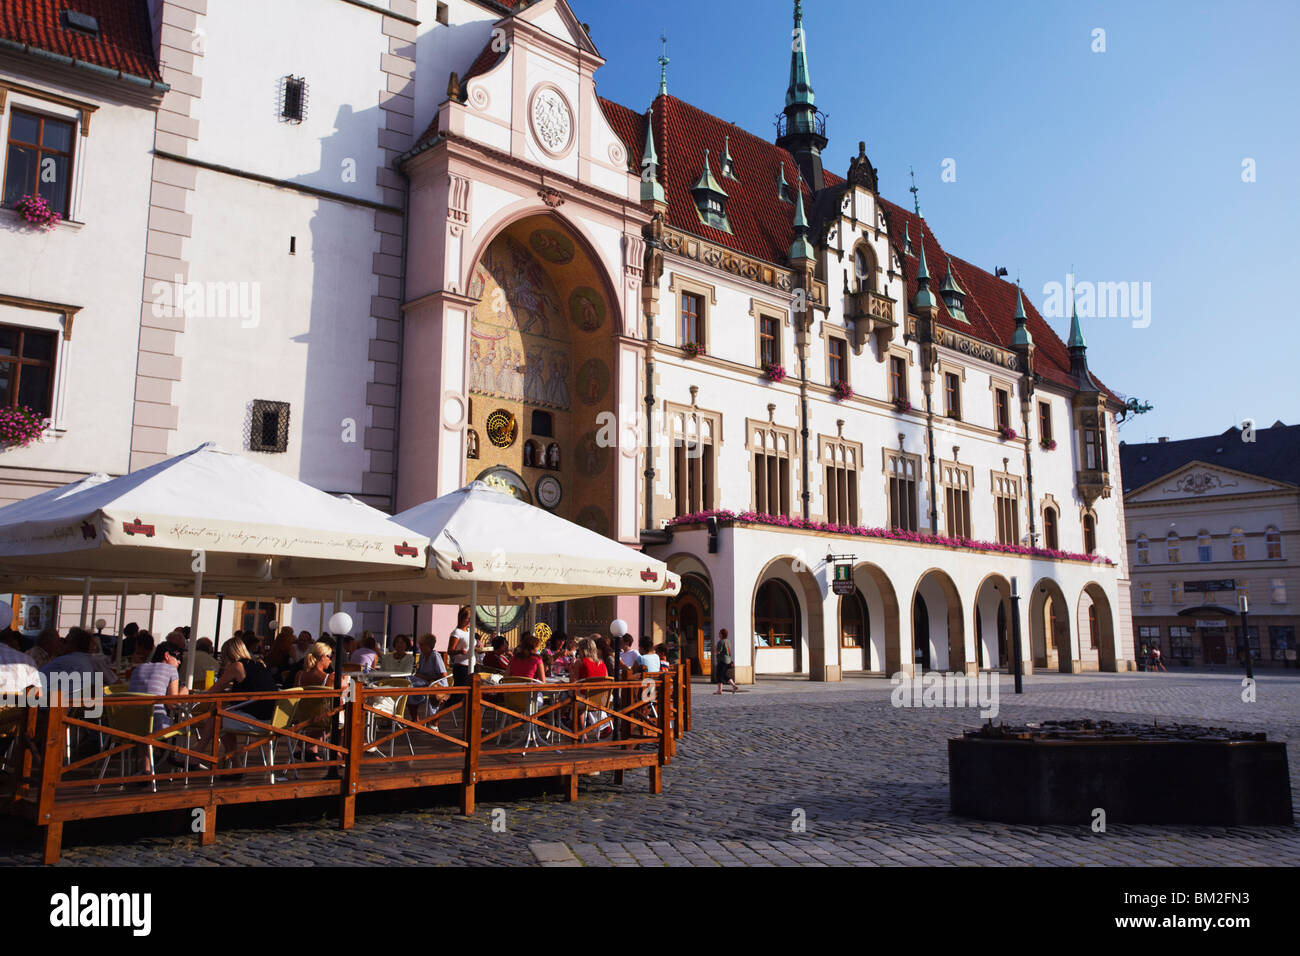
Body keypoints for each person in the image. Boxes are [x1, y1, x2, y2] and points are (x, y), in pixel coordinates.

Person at [207, 636, 280, 760]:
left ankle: (196, 756)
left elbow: (212, 692)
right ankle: (234, 766)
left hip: (258, 721)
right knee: (221, 715)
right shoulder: (258, 665)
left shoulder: (237, 666)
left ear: (228, 655)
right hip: (272, 718)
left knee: (216, 716)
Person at [128, 644, 189, 728]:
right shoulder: (171, 669)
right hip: (155, 724)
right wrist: (183, 692)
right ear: (167, 655)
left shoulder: (138, 667)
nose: (179, 662)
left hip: (130, 723)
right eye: (177, 658)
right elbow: (173, 705)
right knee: (181, 728)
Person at [40, 627, 117, 686]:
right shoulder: (88, 660)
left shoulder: (64, 661)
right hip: (84, 703)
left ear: (73, 644)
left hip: (64, 703)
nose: (61, 644)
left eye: (65, 642)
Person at [448, 608, 475, 686]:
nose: (469, 621)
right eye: (468, 618)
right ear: (462, 618)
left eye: (471, 618)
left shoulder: (470, 631)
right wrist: (459, 651)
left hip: (472, 665)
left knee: (471, 693)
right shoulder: (457, 632)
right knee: (460, 694)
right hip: (461, 667)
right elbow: (450, 651)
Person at [713, 628, 738, 694]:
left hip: (722, 661)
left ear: (722, 634)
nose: (718, 634)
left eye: (719, 633)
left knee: (719, 675)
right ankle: (734, 686)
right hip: (728, 661)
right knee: (724, 675)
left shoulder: (720, 642)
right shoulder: (728, 641)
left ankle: (719, 690)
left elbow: (718, 652)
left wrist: (715, 648)